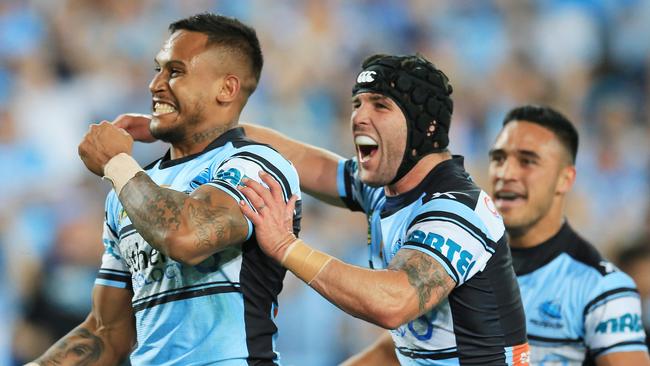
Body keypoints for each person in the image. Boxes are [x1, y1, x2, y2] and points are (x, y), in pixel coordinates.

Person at [29, 13, 301, 365]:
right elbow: (106, 332)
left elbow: (185, 236)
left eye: (175, 71)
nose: (155, 84)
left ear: (226, 89)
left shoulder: (258, 167)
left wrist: (116, 163)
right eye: (157, 69)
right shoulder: (129, 190)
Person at [232, 54, 530, 365]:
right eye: (357, 104)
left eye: (380, 105)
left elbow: (394, 303)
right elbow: (313, 165)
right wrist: (218, 131)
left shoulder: (457, 209)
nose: (359, 116)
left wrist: (285, 246)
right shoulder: (383, 187)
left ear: (425, 127)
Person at [487, 105, 649, 365]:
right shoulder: (460, 264)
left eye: (527, 161)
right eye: (498, 158)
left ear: (565, 179)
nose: (506, 173)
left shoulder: (603, 290)